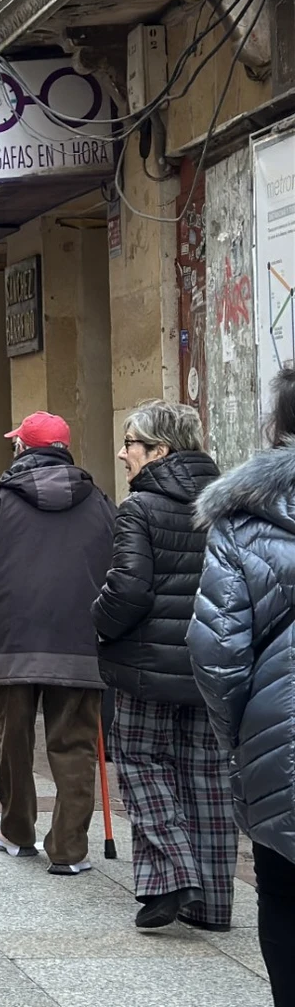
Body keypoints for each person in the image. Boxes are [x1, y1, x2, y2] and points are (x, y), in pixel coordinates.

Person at [0, 412, 114, 875]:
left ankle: (17, 831)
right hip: (80, 640)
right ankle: (69, 850)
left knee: (13, 734)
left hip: (12, 637)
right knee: (75, 741)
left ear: (23, 449)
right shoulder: (98, 501)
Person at [90, 401, 229, 930]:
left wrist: (98, 622)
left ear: (159, 451)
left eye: (131, 443)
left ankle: (173, 875)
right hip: (212, 662)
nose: (124, 453)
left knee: (142, 762)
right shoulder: (228, 503)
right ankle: (213, 905)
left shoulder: (141, 507)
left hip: (147, 664)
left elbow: (127, 590)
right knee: (208, 776)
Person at [191, 368, 295, 991]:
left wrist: (242, 738)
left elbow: (216, 653)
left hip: (280, 738)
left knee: (283, 892)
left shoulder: (243, 518)